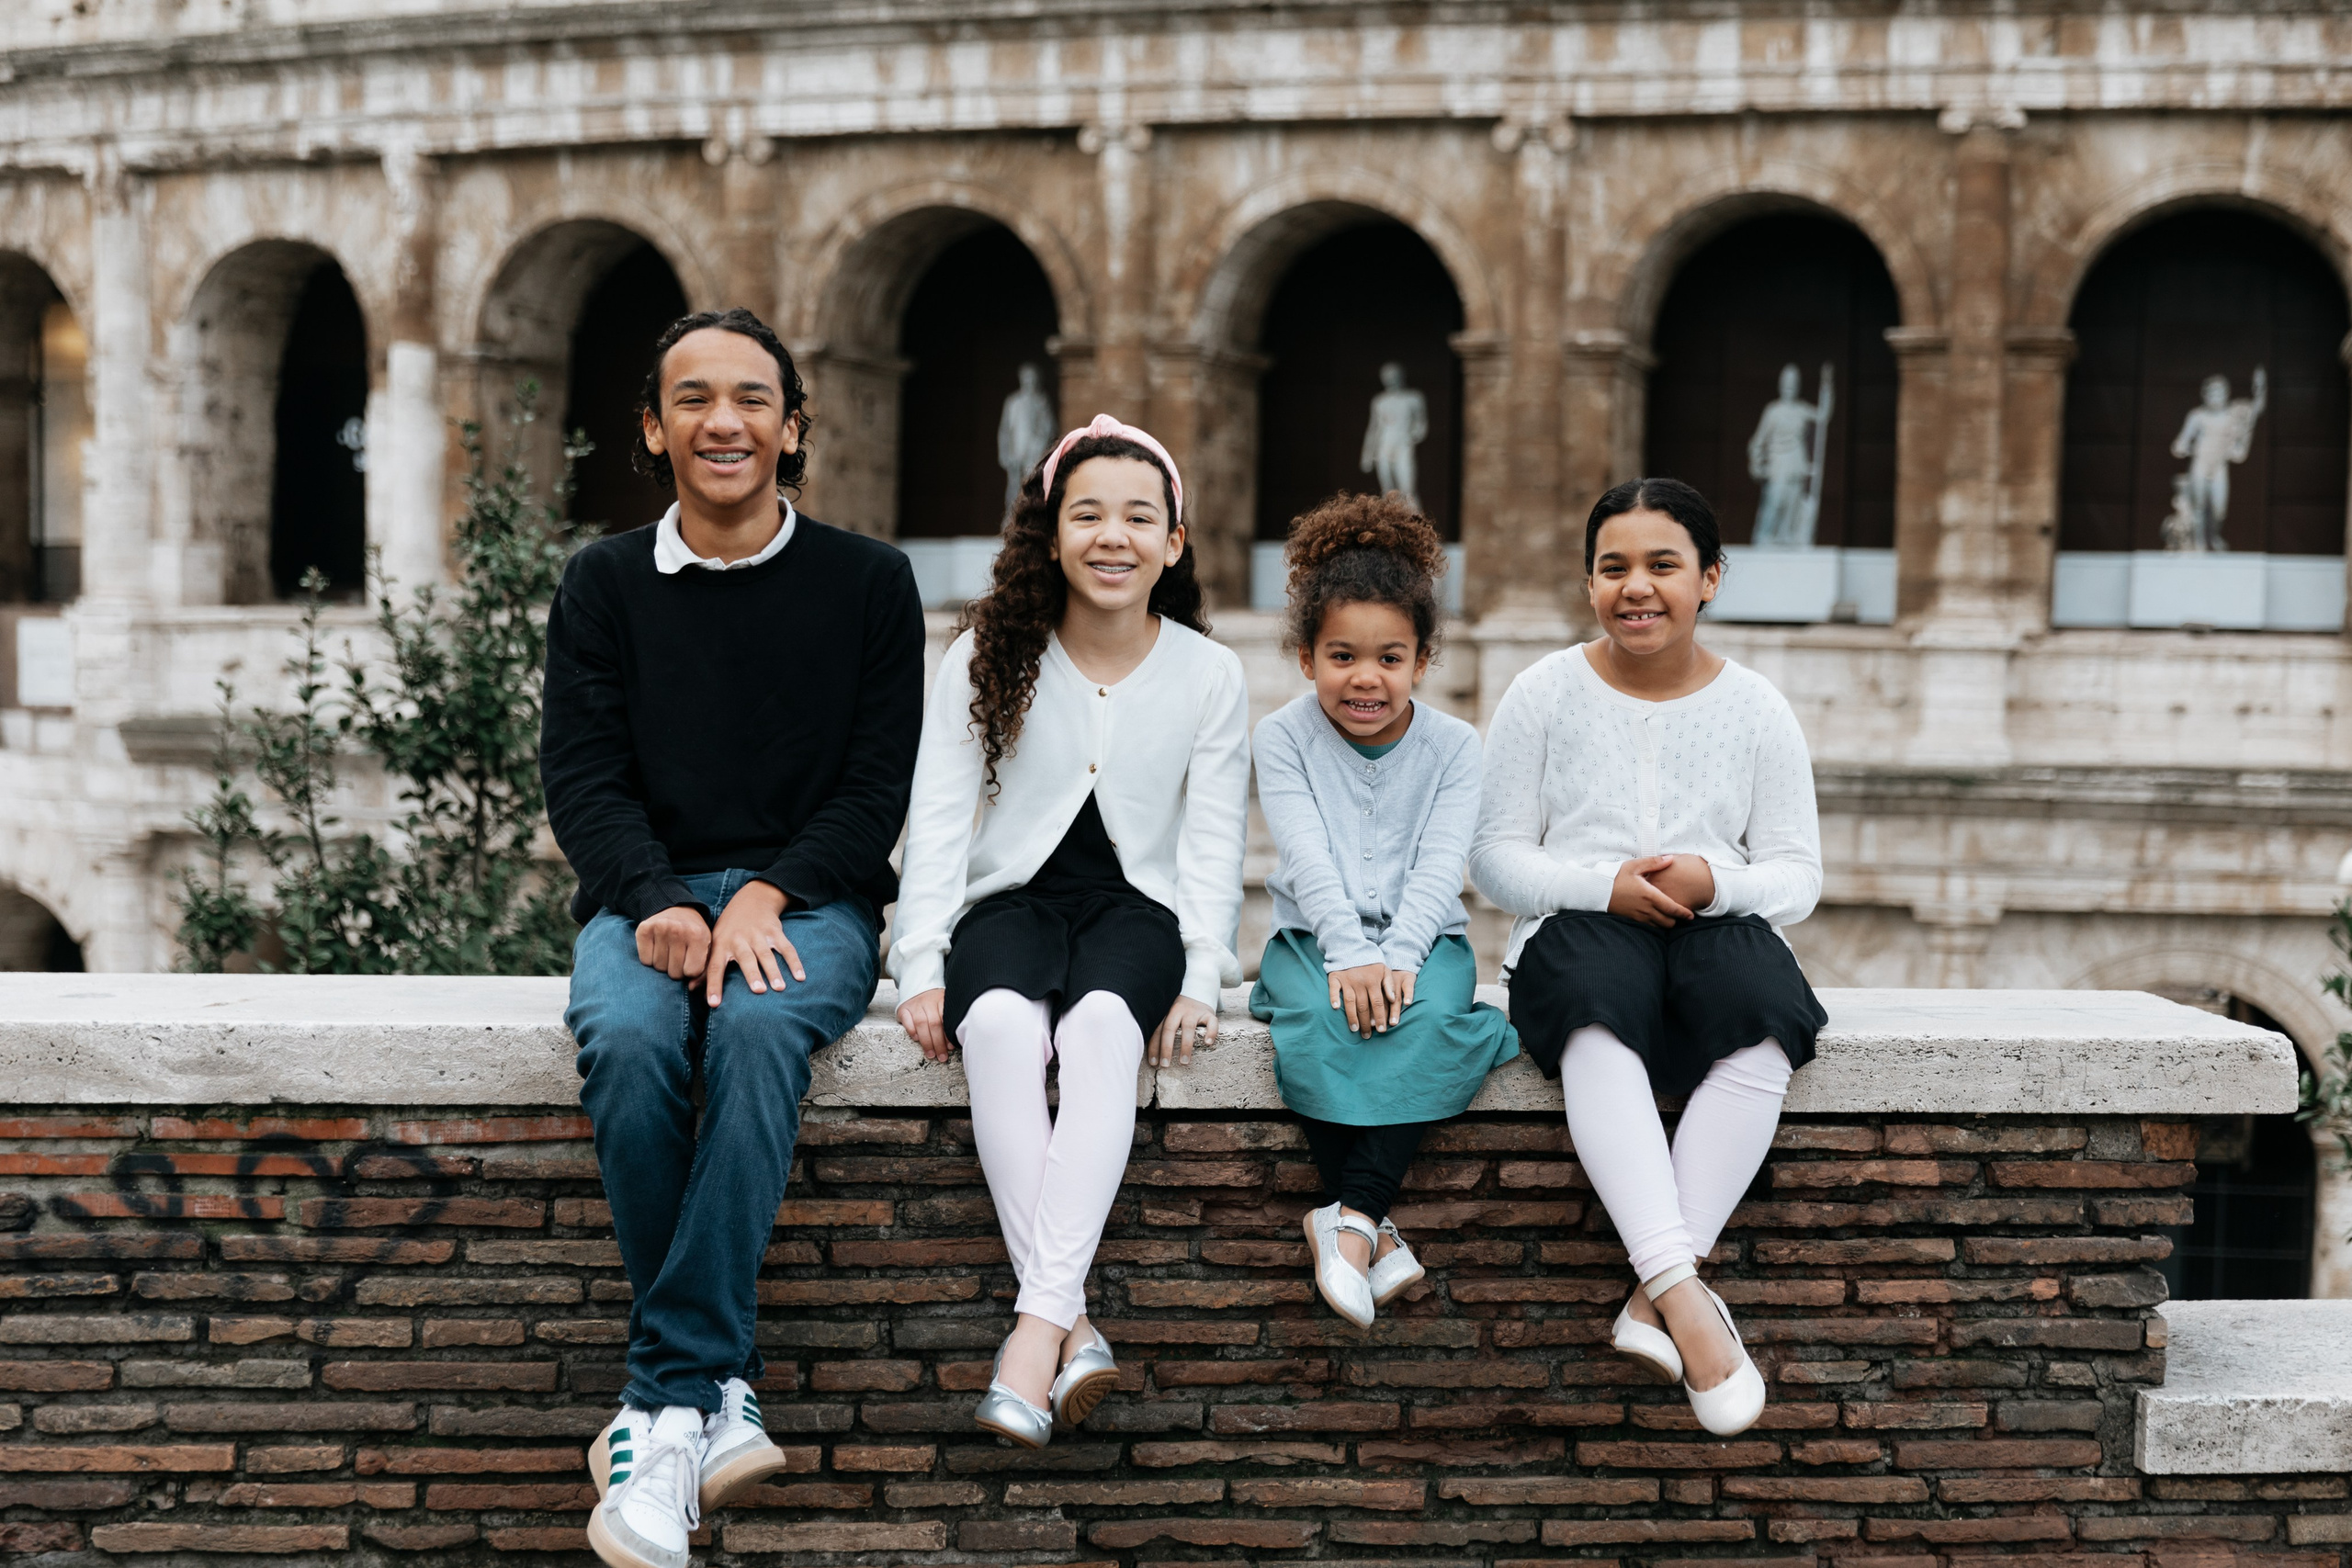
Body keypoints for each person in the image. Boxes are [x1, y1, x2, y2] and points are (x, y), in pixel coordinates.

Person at [541, 308, 926, 1568]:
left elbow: (877, 788)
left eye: (753, 397)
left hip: (807, 898)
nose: (725, 420)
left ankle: (661, 1398)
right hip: (642, 897)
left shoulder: (870, 581)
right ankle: (719, 1390)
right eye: (693, 398)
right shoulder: (602, 580)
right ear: (654, 428)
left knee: (760, 1027)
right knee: (627, 1034)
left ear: (793, 425)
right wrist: (661, 895)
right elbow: (584, 778)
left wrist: (767, 892)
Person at [889, 412, 1250, 1448]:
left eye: (1140, 516)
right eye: (1086, 514)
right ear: (1050, 535)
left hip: (1137, 912)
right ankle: (1068, 1323)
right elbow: (941, 821)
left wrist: (1200, 969)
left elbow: (1214, 844)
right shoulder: (981, 655)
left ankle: (1031, 1333)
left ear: (1173, 542)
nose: (1112, 536)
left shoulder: (1207, 673)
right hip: (1009, 904)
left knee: (1099, 1034)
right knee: (998, 1029)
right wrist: (919, 964)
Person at [1468, 477, 1826, 1438]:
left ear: (1708, 579)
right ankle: (1686, 1299)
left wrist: (1715, 882)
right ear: (1587, 583)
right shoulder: (1541, 693)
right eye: (1613, 567)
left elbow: (1797, 874)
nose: (1637, 587)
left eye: (1662, 566)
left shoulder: (1756, 708)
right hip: (1580, 922)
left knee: (1767, 1017)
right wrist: (1603, 887)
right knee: (1592, 1006)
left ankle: (1650, 1297)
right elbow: (1495, 857)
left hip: (1718, 920)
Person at [1249, 494, 1518, 1328]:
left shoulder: (1456, 747)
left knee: (1428, 1025)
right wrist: (1347, 957)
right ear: (1306, 658)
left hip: (1424, 940)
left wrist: (1398, 961)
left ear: (1422, 660)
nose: (1366, 678)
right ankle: (1371, 1225)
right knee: (1321, 1033)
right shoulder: (1282, 737)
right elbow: (1305, 856)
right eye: (1342, 656)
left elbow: (1443, 867)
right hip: (1311, 938)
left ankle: (1351, 1217)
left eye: (1390, 658)